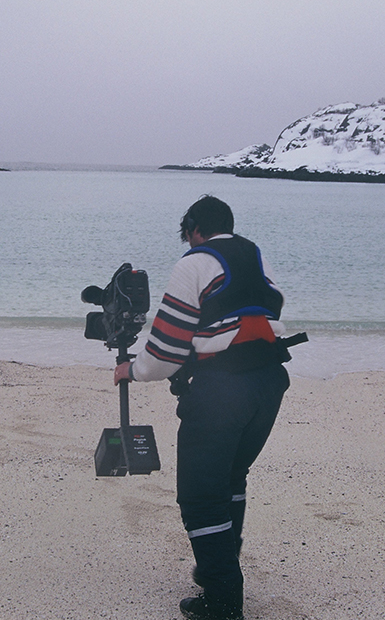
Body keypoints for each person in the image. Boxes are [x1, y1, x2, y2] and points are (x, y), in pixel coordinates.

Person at [114, 196, 293, 620]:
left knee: (199, 496)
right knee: (232, 476)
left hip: (223, 388)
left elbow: (165, 351)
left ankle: (223, 600)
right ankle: (221, 562)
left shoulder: (193, 262)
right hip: (270, 381)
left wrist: (131, 371)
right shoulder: (256, 256)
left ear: (193, 230)